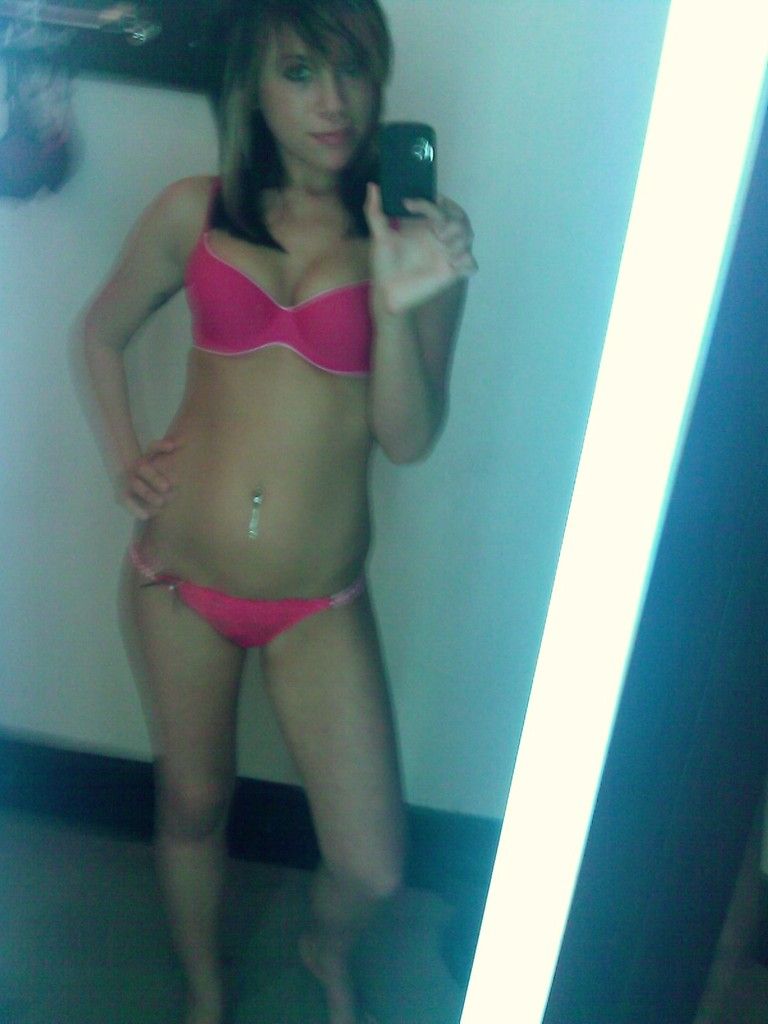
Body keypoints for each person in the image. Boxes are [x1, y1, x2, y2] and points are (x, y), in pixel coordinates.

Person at [81, 1, 476, 1022]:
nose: (333, 101)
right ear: (253, 90)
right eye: (300, 73)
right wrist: (125, 460)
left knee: (373, 864)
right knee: (193, 801)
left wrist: (398, 301)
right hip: (178, 578)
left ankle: (321, 940)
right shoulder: (194, 210)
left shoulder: (422, 241)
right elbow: (100, 333)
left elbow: (407, 438)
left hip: (317, 600)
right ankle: (206, 990)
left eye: (352, 71)